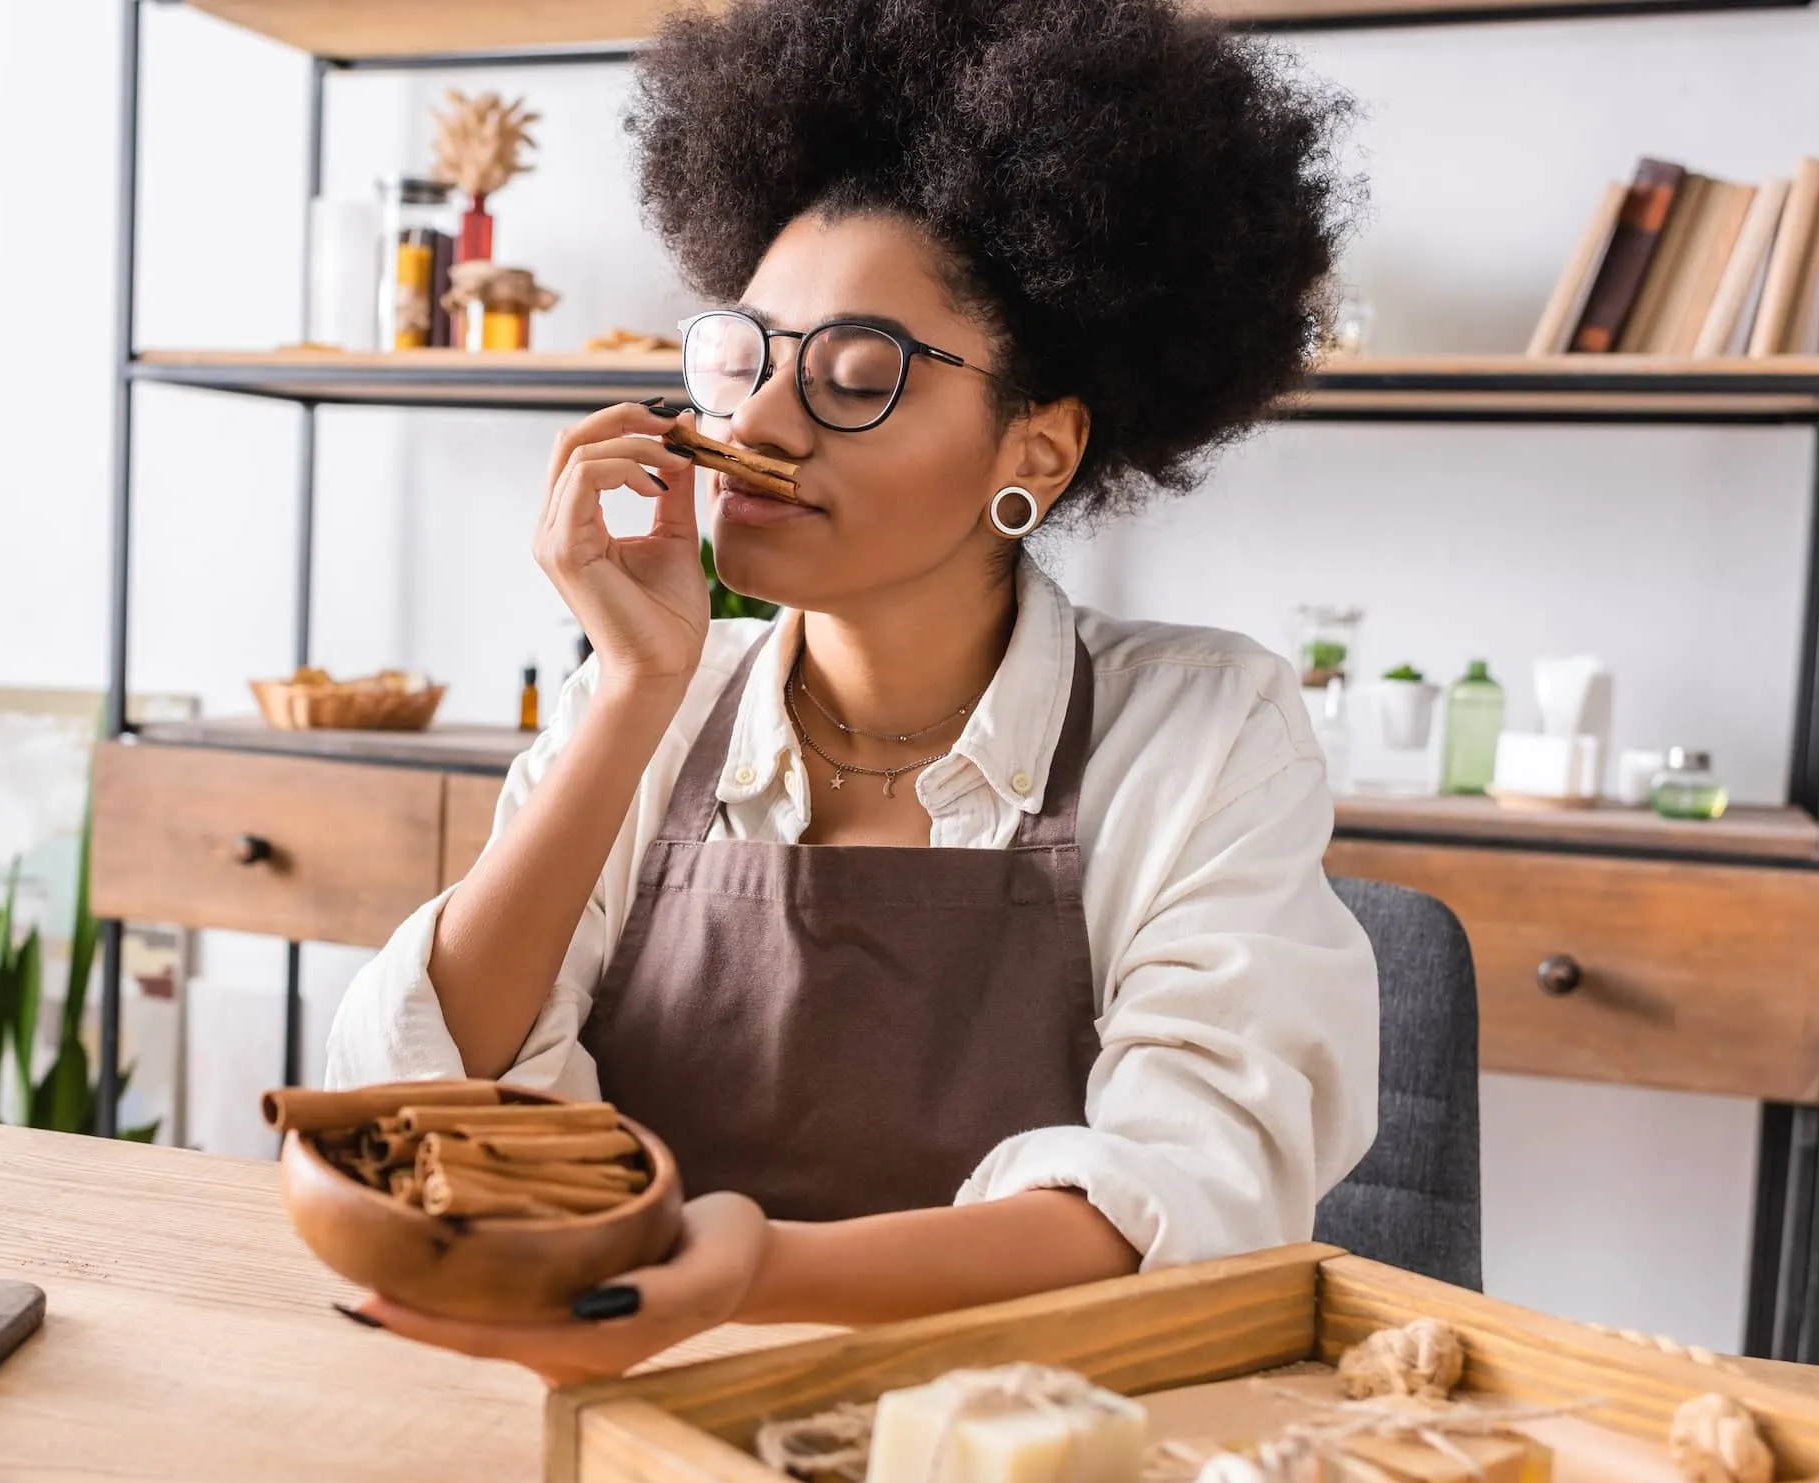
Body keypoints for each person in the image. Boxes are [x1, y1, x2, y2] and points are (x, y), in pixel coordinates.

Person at [325, 0, 1375, 1384]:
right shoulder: (656, 697)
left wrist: (761, 1271)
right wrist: (635, 687)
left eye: (859, 375)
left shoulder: (1202, 730)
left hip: (1016, 1447)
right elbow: (411, 1092)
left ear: (1041, 451)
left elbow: (1192, 1198)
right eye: (745, 354)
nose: (756, 422)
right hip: (626, 1402)